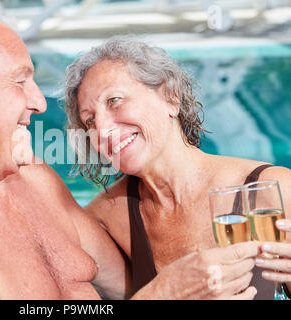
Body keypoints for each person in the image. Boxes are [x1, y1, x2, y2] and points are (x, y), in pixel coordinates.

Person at [0, 7, 260, 300]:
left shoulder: (36, 182)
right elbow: (160, 292)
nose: (40, 102)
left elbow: (135, 285)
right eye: (21, 80)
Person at [64, 35, 291, 300]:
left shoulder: (274, 191)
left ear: (171, 97)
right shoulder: (105, 219)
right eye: (89, 121)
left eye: (114, 100)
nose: (101, 128)